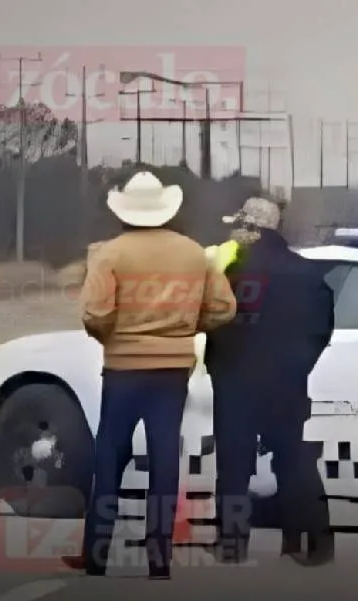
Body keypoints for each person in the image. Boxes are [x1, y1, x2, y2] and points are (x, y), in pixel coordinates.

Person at [65, 171, 237, 579]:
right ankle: (159, 557)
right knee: (164, 461)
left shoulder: (109, 254)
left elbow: (95, 313)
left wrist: (112, 336)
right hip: (173, 369)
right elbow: (224, 308)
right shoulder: (195, 253)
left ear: (124, 211)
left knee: (109, 459)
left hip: (123, 368)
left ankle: (97, 553)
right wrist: (186, 328)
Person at [204, 197, 336, 566]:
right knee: (293, 460)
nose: (231, 232)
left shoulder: (229, 272)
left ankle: (232, 544)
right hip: (286, 383)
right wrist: (298, 368)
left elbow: (211, 321)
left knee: (233, 466)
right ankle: (313, 543)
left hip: (235, 383)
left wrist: (220, 365)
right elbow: (321, 331)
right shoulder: (306, 274)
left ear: (252, 229)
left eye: (238, 225)